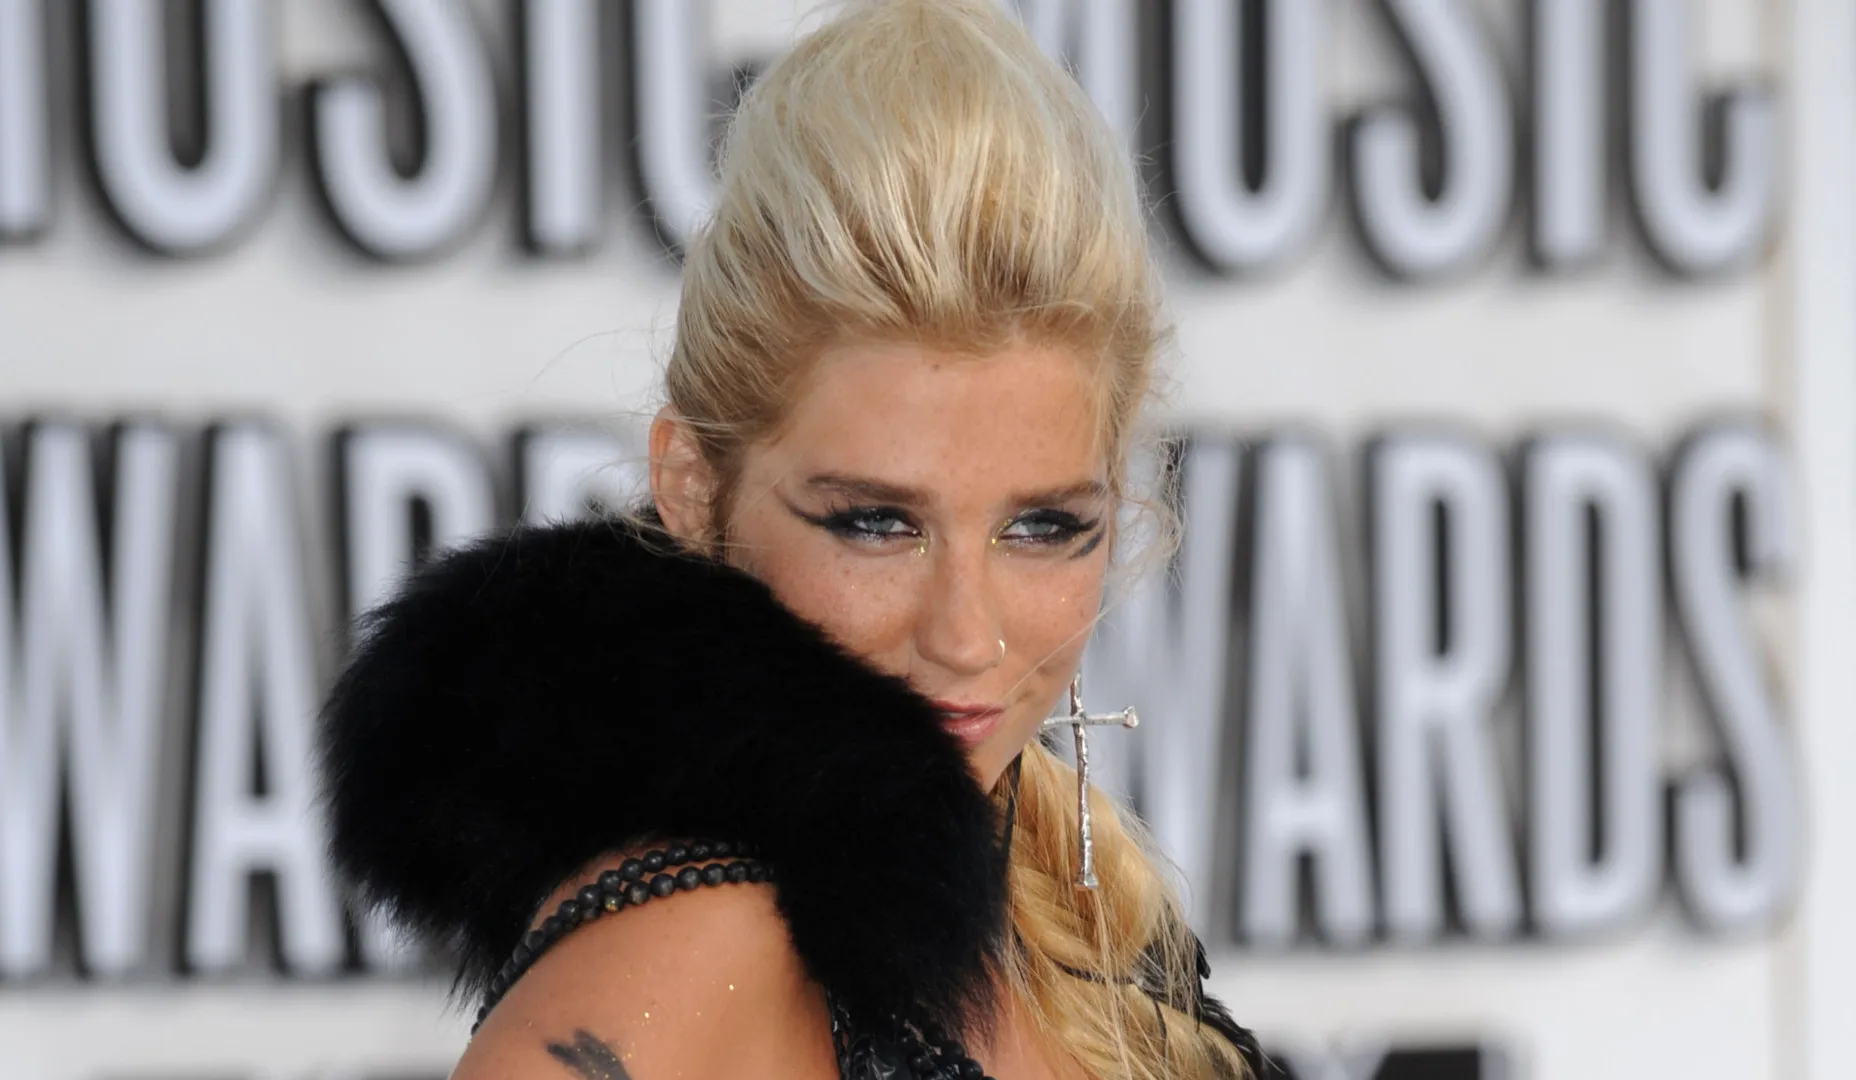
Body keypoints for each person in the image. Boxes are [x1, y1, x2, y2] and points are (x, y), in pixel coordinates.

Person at [318, 1, 1264, 1077]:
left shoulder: (1083, 934)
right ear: (691, 486)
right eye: (876, 523)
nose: (966, 635)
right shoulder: (684, 953)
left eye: (1043, 527)